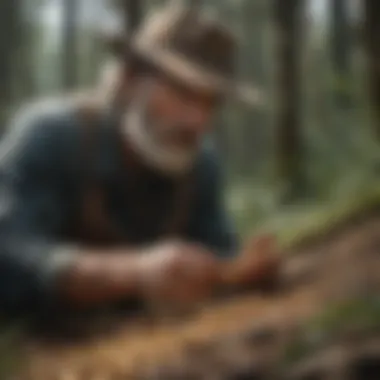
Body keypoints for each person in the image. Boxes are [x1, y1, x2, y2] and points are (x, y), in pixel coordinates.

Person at [0, 4, 272, 320]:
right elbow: (7, 251)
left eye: (210, 103)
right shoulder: (52, 136)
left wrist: (240, 273)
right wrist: (133, 272)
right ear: (129, 80)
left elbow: (220, 257)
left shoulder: (201, 167)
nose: (198, 122)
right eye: (183, 94)